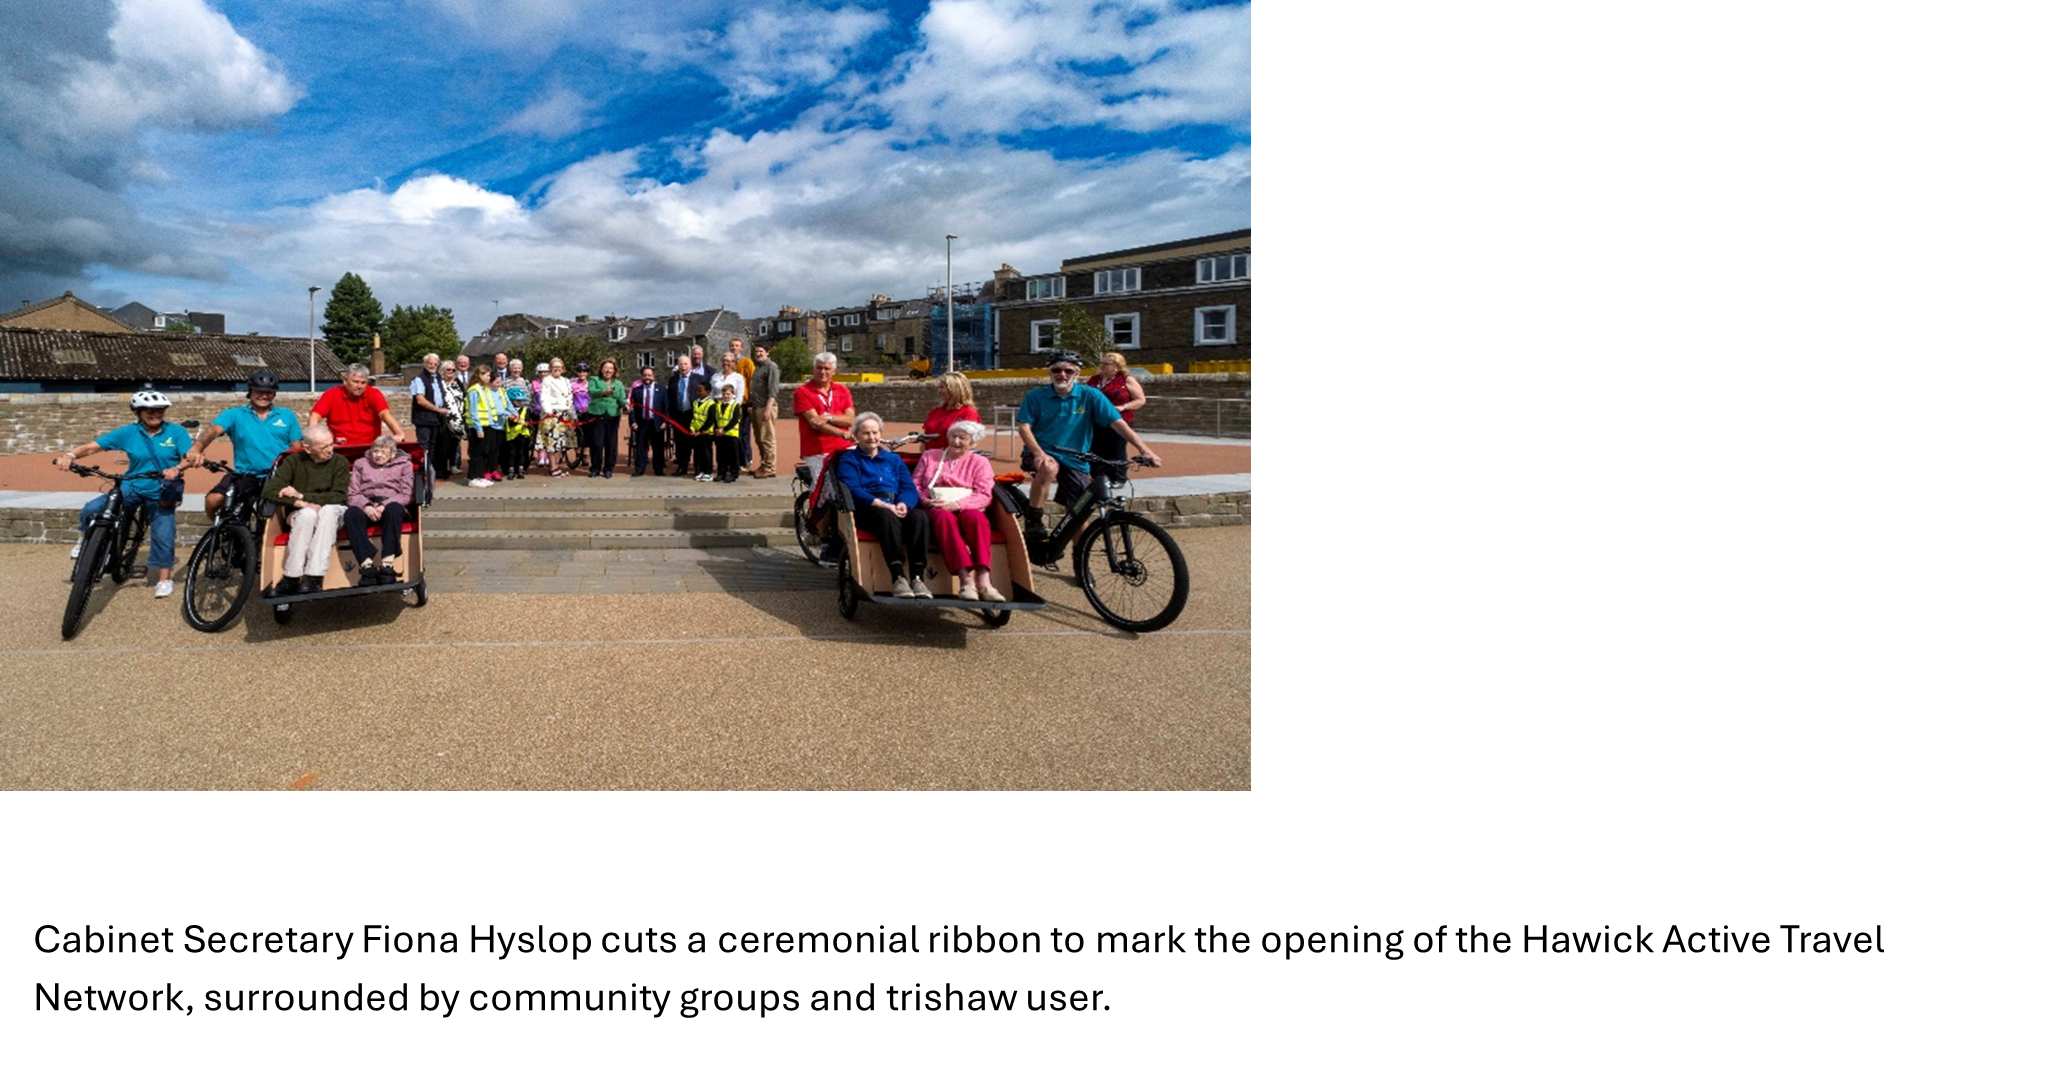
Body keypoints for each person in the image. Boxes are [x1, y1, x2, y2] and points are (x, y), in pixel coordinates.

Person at [54, 387, 191, 599]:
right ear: (138, 412)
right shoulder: (128, 432)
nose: (156, 415)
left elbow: (188, 457)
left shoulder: (177, 432)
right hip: (132, 485)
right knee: (93, 508)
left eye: (160, 411)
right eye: (150, 411)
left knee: (164, 533)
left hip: (162, 489)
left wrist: (177, 468)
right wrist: (69, 455)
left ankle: (164, 579)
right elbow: (93, 447)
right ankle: (84, 540)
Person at [1014, 351, 1162, 537]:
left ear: (1077, 373)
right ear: (1049, 372)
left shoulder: (1090, 395)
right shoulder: (1036, 396)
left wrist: (1145, 450)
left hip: (1075, 458)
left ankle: (1079, 556)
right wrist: (1038, 453)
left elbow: (1118, 424)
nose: (1062, 375)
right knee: (1049, 468)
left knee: (1079, 512)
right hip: (1043, 452)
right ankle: (1034, 519)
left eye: (1068, 371)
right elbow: (1024, 427)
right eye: (1056, 370)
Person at [184, 369, 302, 522]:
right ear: (250, 391)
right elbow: (213, 430)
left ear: (274, 394)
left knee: (279, 517)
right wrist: (197, 448)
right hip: (246, 474)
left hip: (278, 476)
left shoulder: (286, 415)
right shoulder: (235, 414)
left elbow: (297, 449)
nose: (264, 396)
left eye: (269, 392)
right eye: (259, 391)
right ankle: (224, 532)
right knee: (213, 500)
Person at [839, 413, 932, 597]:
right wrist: (881, 504)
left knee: (920, 517)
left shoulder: (894, 460)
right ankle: (898, 577)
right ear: (856, 435)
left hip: (895, 503)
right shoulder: (849, 459)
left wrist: (904, 503)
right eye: (866, 433)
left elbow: (908, 486)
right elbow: (853, 489)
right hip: (868, 506)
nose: (872, 437)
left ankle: (917, 577)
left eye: (875, 432)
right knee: (887, 516)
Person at [915, 420, 1004, 601]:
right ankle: (965, 579)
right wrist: (927, 501)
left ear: (972, 442)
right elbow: (914, 484)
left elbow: (985, 494)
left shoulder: (980, 462)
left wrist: (958, 504)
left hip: (965, 505)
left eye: (962, 438)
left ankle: (983, 578)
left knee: (976, 518)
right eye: (953, 436)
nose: (956, 441)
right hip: (935, 507)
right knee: (943, 517)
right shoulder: (930, 456)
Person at [261, 424, 350, 595]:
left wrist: (301, 496)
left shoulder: (339, 462)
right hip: (302, 512)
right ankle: (291, 576)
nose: (330, 450)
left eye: (331, 444)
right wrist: (300, 504)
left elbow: (338, 496)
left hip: (333, 513)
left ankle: (314, 576)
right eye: (324, 447)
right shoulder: (293, 461)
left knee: (328, 511)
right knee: (307, 515)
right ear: (308, 448)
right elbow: (269, 492)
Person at [344, 433, 414, 585]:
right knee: (351, 514)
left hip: (392, 505)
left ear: (393, 454)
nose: (378, 455)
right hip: (368, 504)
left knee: (393, 509)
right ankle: (367, 566)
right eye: (375, 451)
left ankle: (387, 565)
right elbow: (352, 494)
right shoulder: (361, 464)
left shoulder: (404, 465)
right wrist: (366, 506)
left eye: (383, 452)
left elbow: (406, 494)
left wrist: (384, 505)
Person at [792, 351, 855, 486]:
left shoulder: (842, 390)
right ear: (813, 369)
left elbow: (850, 419)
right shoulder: (803, 392)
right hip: (817, 448)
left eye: (827, 369)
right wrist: (842, 433)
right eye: (819, 368)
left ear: (834, 371)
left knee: (852, 484)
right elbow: (815, 423)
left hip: (844, 446)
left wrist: (828, 417)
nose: (822, 372)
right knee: (823, 489)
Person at [310, 363, 405, 448]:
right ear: (345, 380)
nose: (359, 386)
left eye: (363, 383)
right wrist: (313, 437)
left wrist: (398, 433)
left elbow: (385, 414)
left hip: (369, 447)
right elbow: (315, 416)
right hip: (339, 447)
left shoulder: (373, 394)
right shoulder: (332, 394)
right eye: (355, 382)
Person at [1088, 351, 1148, 470]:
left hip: (1120, 418)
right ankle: (1099, 476)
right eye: (1101, 363)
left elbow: (1140, 400)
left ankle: (1118, 477)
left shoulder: (1125, 380)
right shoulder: (1094, 380)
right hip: (1096, 419)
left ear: (1117, 366)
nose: (1102, 366)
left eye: (1106, 364)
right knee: (1096, 448)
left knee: (1116, 449)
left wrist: (1123, 407)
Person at [407, 353, 457, 480]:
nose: (433, 365)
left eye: (435, 363)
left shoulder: (438, 377)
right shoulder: (419, 379)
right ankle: (423, 473)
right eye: (430, 363)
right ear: (424, 364)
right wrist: (438, 409)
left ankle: (433, 472)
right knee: (424, 447)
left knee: (435, 446)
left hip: (436, 419)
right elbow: (420, 400)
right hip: (424, 418)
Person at [464, 364, 510, 487]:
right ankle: (473, 477)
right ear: (480, 375)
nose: (489, 377)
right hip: (478, 426)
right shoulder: (474, 390)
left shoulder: (484, 389)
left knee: (485, 452)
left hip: (488, 424)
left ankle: (481, 475)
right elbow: (473, 411)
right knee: (477, 453)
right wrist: (478, 428)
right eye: (487, 375)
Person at [916, 371, 980, 451]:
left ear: (954, 390)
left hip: (951, 460)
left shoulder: (968, 414)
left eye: (942, 387)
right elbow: (924, 442)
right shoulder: (935, 412)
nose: (939, 391)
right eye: (939, 387)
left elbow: (967, 445)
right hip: (930, 459)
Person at [665, 353, 705, 476]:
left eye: (685, 364)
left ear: (690, 365)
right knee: (680, 443)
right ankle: (682, 467)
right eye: (681, 364)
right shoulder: (673, 380)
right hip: (678, 415)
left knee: (696, 442)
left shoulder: (699, 379)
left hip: (693, 415)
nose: (683, 366)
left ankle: (698, 468)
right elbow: (669, 399)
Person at [711, 340, 748, 470]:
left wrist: (734, 409)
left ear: (733, 363)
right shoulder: (715, 376)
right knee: (719, 442)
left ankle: (734, 467)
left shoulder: (738, 378)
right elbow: (711, 394)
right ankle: (722, 467)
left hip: (731, 411)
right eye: (724, 360)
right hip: (717, 410)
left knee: (732, 442)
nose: (726, 363)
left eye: (729, 361)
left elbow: (739, 396)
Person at [586, 359, 626, 478]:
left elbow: (621, 398)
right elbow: (591, 392)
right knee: (597, 443)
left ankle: (608, 468)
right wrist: (604, 392)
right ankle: (595, 468)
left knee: (611, 443)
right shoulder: (594, 380)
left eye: (611, 368)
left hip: (613, 415)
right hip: (597, 414)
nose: (608, 370)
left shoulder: (618, 383)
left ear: (614, 371)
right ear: (601, 369)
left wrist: (625, 404)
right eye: (606, 368)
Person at [537, 358, 576, 476]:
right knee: (551, 442)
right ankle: (553, 467)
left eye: (559, 367)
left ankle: (557, 465)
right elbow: (544, 397)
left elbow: (569, 398)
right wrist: (548, 411)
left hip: (565, 414)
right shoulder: (547, 381)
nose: (557, 369)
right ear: (550, 369)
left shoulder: (566, 381)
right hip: (552, 414)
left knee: (561, 442)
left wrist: (572, 414)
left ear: (563, 368)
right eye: (554, 367)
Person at [628, 365, 667, 476]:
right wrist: (633, 421)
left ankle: (658, 469)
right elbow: (632, 409)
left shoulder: (662, 390)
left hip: (657, 423)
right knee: (641, 447)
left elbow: (666, 407)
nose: (647, 377)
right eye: (645, 375)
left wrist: (665, 421)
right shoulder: (636, 391)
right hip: (642, 422)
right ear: (642, 377)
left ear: (653, 376)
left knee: (658, 447)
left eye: (649, 375)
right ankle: (640, 469)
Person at [748, 344, 781, 478]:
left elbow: (773, 389)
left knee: (767, 438)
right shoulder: (758, 368)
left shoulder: (771, 367)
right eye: (756, 352)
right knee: (759, 439)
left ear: (767, 352)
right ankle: (764, 464)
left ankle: (770, 467)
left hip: (766, 407)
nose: (758, 354)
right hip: (757, 407)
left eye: (761, 351)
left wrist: (768, 408)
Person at [500, 361, 532, 479]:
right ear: (510, 369)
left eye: (519, 368)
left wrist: (528, 414)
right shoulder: (505, 383)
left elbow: (531, 397)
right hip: (510, 419)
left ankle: (522, 467)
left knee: (523, 449)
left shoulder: (526, 382)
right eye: (514, 368)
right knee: (510, 451)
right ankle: (509, 468)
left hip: (524, 416)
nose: (517, 370)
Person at [438, 360, 466, 480]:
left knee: (455, 443)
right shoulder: (439, 383)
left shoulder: (458, 382)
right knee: (444, 443)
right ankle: (443, 468)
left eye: (453, 370)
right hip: (444, 418)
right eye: (448, 370)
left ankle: (454, 464)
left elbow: (464, 396)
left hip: (458, 417)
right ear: (443, 370)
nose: (451, 372)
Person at [712, 382, 744, 483]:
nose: (726, 396)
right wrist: (717, 429)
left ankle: (734, 473)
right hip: (720, 435)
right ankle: (721, 472)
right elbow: (716, 418)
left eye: (728, 394)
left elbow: (735, 420)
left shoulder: (736, 406)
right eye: (724, 394)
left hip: (731, 434)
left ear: (733, 394)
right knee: (721, 455)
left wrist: (724, 429)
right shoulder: (718, 405)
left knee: (733, 456)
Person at [687, 379, 717, 481]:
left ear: (708, 392)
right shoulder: (695, 403)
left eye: (700, 390)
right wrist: (692, 429)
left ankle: (708, 472)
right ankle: (699, 470)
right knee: (697, 452)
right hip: (696, 432)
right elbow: (693, 417)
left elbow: (710, 420)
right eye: (697, 390)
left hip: (706, 433)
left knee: (706, 452)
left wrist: (701, 430)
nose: (698, 392)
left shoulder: (711, 404)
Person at [570, 362, 593, 471]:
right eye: (580, 371)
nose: (582, 374)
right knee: (576, 435)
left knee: (588, 434)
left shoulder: (591, 384)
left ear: (587, 373)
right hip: (576, 411)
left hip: (589, 412)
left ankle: (585, 456)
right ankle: (578, 455)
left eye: (584, 371)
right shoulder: (572, 384)